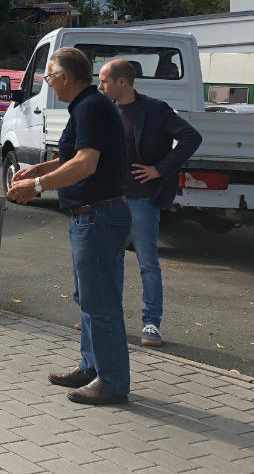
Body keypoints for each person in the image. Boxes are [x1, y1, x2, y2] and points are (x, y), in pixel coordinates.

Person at [7, 46, 131, 406]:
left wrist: (36, 187)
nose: (47, 82)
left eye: (48, 76)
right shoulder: (88, 106)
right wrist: (39, 169)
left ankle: (112, 381)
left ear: (64, 77)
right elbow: (75, 156)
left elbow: (86, 164)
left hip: (98, 215)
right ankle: (91, 367)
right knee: (89, 298)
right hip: (92, 215)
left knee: (100, 302)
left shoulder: (91, 107)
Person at [98, 58, 201, 348]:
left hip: (143, 199)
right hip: (111, 199)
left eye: (104, 80)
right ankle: (107, 317)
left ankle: (151, 324)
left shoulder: (154, 110)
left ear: (122, 82)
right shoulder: (105, 110)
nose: (99, 86)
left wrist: (160, 169)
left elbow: (191, 137)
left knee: (147, 264)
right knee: (110, 260)